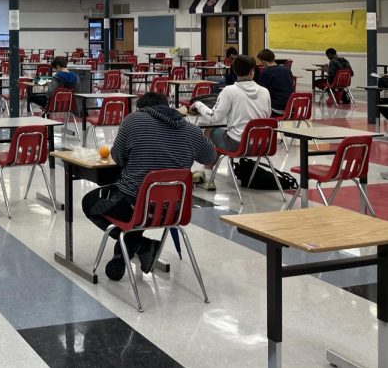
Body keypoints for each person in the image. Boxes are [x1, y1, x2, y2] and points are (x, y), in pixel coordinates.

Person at [82, 92, 216, 280]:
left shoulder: (133, 121)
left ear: (142, 109)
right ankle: (130, 248)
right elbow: (210, 157)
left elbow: (118, 158)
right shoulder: (191, 131)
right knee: (143, 204)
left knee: (90, 202)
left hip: (135, 206)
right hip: (173, 210)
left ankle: (141, 245)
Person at [192, 54, 271, 190]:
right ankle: (208, 175)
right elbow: (267, 115)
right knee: (221, 134)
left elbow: (213, 118)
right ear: (253, 71)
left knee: (209, 131)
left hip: (238, 144)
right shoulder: (265, 91)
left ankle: (208, 177)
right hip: (263, 144)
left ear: (234, 71)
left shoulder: (229, 91)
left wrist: (198, 104)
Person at [255, 49, 293, 115]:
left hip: (276, 108)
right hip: (290, 107)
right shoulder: (287, 70)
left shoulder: (266, 73)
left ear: (263, 61)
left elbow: (261, 92)